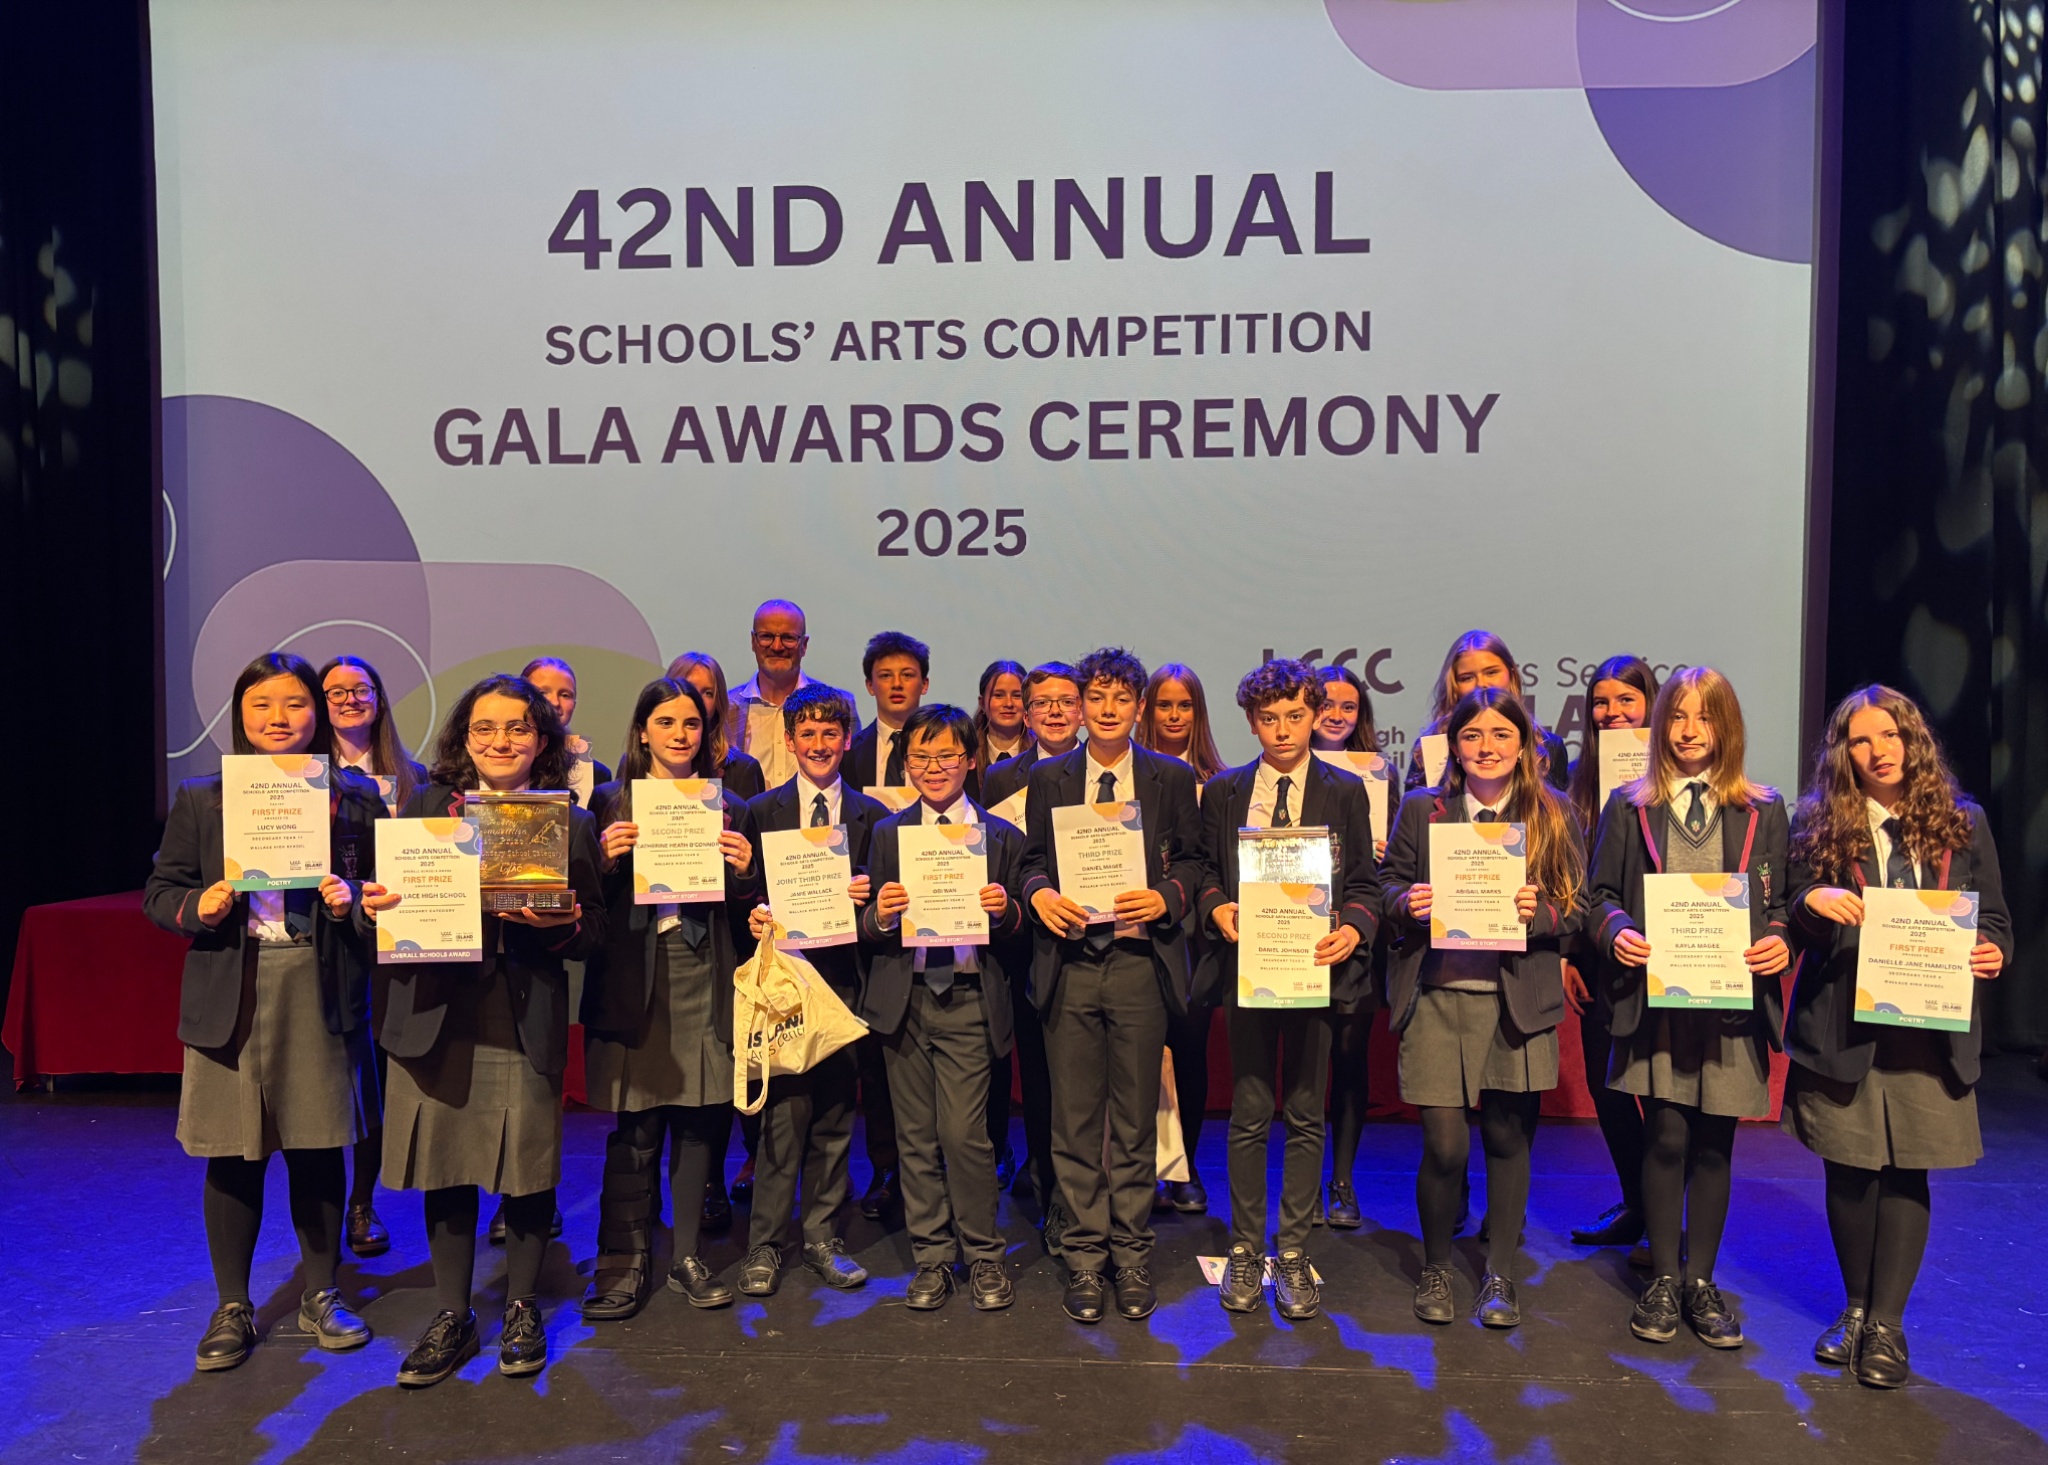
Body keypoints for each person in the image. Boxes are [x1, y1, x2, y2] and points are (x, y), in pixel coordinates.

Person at [361, 673, 604, 1386]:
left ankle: (522, 1306)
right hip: (436, 1008)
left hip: (521, 1010)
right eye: (485, 728)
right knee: (446, 1165)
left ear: (542, 739)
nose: (501, 741)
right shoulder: (425, 809)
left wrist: (565, 924)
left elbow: (595, 932)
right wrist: (375, 909)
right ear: (464, 739)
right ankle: (453, 1312)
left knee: (527, 1166)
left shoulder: (569, 822)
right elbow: (381, 907)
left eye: (518, 727)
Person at [145, 652, 384, 1372]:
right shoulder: (203, 797)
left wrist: (353, 901)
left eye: (294, 703)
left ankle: (322, 1293)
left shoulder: (354, 797)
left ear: (318, 711)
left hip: (317, 984)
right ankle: (233, 1304)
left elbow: (384, 897)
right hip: (233, 986)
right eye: (261, 705)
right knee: (232, 1153)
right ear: (240, 715)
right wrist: (201, 905)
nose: (279, 718)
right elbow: (161, 893)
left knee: (318, 1145)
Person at [1783, 685, 2010, 1389]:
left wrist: (1992, 952)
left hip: (1927, 1031)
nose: (1878, 750)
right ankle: (1854, 1308)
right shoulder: (1819, 820)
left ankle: (1888, 1323)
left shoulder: (1963, 821)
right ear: (1843, 752)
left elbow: (1994, 922)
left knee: (1908, 1170)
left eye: (1890, 735)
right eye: (1860, 739)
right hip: (1844, 1025)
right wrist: (1814, 901)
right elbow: (1791, 911)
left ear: (1914, 740)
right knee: (1849, 1171)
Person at [1588, 667, 1790, 1349]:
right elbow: (1598, 897)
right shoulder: (1629, 804)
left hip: (1730, 1005)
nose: (1689, 729)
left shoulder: (1763, 807)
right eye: (1677, 715)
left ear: (1726, 725)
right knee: (1667, 1136)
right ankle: (1664, 1276)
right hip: (1658, 1002)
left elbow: (1785, 902)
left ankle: (1701, 1281)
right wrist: (1617, 930)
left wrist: (1780, 938)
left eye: (1705, 716)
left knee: (1713, 1143)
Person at [1381, 688, 1584, 1330]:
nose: (1487, 747)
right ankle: (1438, 1266)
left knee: (1506, 1137)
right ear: (1454, 746)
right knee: (1444, 1147)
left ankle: (1498, 1273)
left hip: (1513, 1001)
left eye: (1501, 735)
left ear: (1523, 746)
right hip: (1436, 996)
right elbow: (1386, 886)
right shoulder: (1423, 808)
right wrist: (1407, 903)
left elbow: (1577, 905)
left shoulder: (1552, 812)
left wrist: (1539, 913)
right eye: (1472, 736)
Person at [1022, 647, 1205, 1325]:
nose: (1106, 709)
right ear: (1077, 706)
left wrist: (1167, 897)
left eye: (1120, 698)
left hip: (1136, 964)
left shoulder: (1169, 776)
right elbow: (1030, 861)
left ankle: (1130, 1253)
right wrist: (1039, 894)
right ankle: (1083, 1256)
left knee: (1132, 1121)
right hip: (1070, 962)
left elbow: (1193, 862)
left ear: (1139, 707)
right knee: (1073, 1122)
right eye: (1094, 697)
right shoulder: (1048, 776)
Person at [1198, 659, 1380, 1321]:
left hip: (1315, 971)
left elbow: (1364, 885)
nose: (1282, 729)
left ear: (1315, 715)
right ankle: (1246, 1247)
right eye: (1269, 718)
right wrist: (1216, 906)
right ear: (1251, 721)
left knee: (1305, 1112)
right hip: (1248, 971)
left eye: (1295, 716)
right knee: (1249, 1112)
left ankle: (1295, 1250)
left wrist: (1353, 929)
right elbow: (1201, 871)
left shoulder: (1345, 790)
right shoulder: (1224, 791)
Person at [578, 677, 762, 1318]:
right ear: (642, 731)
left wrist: (745, 873)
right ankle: (623, 1264)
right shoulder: (608, 802)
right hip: (636, 977)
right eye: (665, 722)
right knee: (637, 1126)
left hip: (704, 972)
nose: (680, 734)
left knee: (698, 1120)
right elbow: (585, 904)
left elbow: (748, 912)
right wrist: (602, 861)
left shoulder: (730, 806)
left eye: (690, 723)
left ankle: (686, 1257)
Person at [859, 704, 1027, 1312]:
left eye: (947, 755)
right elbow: (868, 926)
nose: (934, 768)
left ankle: (983, 1256)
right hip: (904, 1004)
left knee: (964, 1135)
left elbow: (1021, 932)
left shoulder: (1001, 837)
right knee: (915, 1138)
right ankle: (931, 1257)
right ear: (906, 764)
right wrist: (882, 914)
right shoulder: (888, 834)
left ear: (970, 760)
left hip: (968, 999)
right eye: (921, 757)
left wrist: (1005, 910)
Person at [741, 683, 890, 1293]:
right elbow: (744, 891)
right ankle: (765, 1244)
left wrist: (867, 896)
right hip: (784, 987)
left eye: (831, 733)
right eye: (808, 733)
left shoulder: (873, 817)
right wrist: (754, 911)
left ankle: (823, 1238)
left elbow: (886, 910)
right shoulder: (761, 810)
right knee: (783, 1119)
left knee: (833, 1116)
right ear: (790, 739)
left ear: (847, 740)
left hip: (845, 985)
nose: (820, 744)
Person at [318, 654, 427, 1259]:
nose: (349, 700)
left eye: (361, 689)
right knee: (328, 1079)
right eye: (335, 691)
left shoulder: (414, 777)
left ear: (379, 699)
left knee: (375, 1080)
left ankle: (362, 1202)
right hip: (330, 938)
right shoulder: (298, 777)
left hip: (396, 940)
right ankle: (323, 1210)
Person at [1562, 656, 1661, 1254]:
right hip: (1598, 952)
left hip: (1670, 950)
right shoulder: (1576, 781)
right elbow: (1566, 876)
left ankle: (1664, 1217)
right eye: (1601, 702)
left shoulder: (1675, 777)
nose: (1612, 712)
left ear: (1652, 703)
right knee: (1609, 1087)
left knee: (1661, 1092)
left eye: (1626, 700)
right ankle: (1638, 1204)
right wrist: (1569, 955)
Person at [1135, 662, 1226, 1216]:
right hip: (1142, 931)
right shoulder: (1130, 772)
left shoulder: (1222, 780)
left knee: (1189, 1054)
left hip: (1197, 939)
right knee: (1139, 1055)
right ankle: (1139, 1168)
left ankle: (1184, 1166)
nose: (1174, 715)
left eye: (1184, 705)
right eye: (1164, 705)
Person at [1309, 662, 1391, 1230]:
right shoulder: (1273, 776)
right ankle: (1304, 1180)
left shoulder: (1379, 775)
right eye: (1326, 704)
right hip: (1293, 934)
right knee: (1305, 1065)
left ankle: (1342, 1179)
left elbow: (1401, 859)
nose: (1336, 715)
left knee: (1348, 1058)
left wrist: (1387, 849)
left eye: (1349, 707)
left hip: (1356, 935)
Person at [1402, 631, 1568, 793]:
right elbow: (1416, 809)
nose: (1481, 684)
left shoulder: (1549, 747)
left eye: (1491, 672)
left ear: (1511, 675)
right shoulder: (1429, 750)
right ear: (1454, 686)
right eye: (1467, 678)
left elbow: (1556, 809)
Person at [729, 599, 848, 790]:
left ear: (804, 645)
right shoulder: (727, 708)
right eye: (766, 637)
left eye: (788, 638)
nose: (777, 647)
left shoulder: (841, 703)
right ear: (753, 641)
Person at [980, 661, 1084, 813]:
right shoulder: (1000, 778)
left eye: (1067, 702)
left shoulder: (1102, 769)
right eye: (1041, 703)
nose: (1055, 711)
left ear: (1083, 713)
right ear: (1027, 718)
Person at [668, 651, 768, 801]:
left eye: (708, 693)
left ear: (718, 702)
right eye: (688, 689)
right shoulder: (642, 762)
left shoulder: (742, 770)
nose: (698, 700)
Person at [523, 656, 611, 808]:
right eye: (543, 693)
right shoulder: (500, 758)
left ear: (574, 705)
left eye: (565, 695)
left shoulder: (597, 775)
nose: (555, 702)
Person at [846, 631, 930, 789]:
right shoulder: (850, 754)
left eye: (907, 675)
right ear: (870, 686)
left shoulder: (945, 749)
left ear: (924, 684)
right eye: (885, 676)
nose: (897, 684)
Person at [966, 659, 1032, 804]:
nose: (1008, 704)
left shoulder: (1040, 754)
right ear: (982, 703)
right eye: (999, 695)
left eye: (1017, 695)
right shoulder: (966, 755)